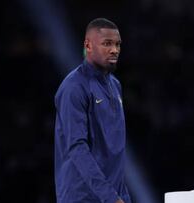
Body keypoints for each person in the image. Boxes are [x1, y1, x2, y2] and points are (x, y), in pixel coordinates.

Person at [54, 18, 131, 203]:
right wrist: (109, 197)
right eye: (107, 43)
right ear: (88, 45)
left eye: (117, 44)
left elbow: (114, 151)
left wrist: (122, 196)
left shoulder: (115, 85)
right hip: (82, 196)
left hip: (113, 194)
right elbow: (77, 148)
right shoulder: (73, 87)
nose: (115, 50)